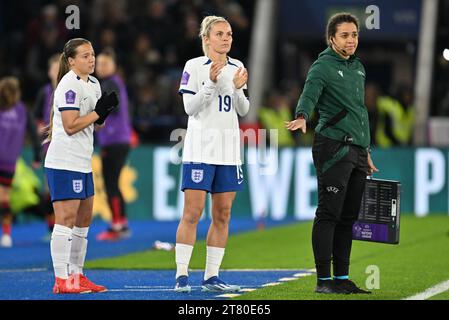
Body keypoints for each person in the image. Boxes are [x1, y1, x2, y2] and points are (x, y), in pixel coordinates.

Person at [285, 13, 378, 294]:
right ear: (331, 39)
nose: (351, 40)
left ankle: (341, 279)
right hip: (333, 147)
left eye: (354, 35)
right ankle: (323, 281)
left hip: (357, 150)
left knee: (348, 217)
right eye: (345, 36)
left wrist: (366, 151)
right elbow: (309, 93)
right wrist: (302, 115)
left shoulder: (358, 68)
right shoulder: (322, 66)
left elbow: (358, 113)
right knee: (329, 214)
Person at [174, 15, 249, 292]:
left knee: (223, 214)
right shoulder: (194, 66)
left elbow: (242, 109)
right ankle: (182, 274)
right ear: (206, 39)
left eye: (229, 33)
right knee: (192, 213)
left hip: (229, 152)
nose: (226, 38)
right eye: (219, 34)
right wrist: (210, 83)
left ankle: (211, 276)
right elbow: (189, 108)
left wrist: (240, 90)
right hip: (200, 150)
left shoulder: (238, 66)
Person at [44, 38, 118, 294]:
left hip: (83, 161)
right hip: (65, 160)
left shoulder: (95, 83)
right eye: (85, 55)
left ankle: (77, 276)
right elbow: (70, 125)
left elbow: (96, 125)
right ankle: (61, 278)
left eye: (93, 54)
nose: (92, 59)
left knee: (84, 221)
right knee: (65, 219)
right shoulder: (68, 85)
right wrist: (98, 113)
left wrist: (104, 112)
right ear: (72, 61)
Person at [94, 48, 132, 241]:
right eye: (99, 64)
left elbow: (112, 105)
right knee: (114, 183)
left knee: (110, 184)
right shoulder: (116, 82)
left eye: (105, 64)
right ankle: (122, 223)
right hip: (121, 139)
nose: (100, 67)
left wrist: (97, 119)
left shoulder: (109, 83)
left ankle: (116, 226)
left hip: (113, 140)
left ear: (114, 66)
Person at [0, 77, 41, 248]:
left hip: (6, 160)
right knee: (5, 197)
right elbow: (33, 133)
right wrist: (38, 155)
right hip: (9, 162)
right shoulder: (23, 110)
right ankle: (7, 234)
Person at [34, 54, 60, 238]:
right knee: (49, 188)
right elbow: (35, 116)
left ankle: (65, 226)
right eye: (54, 68)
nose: (56, 71)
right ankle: (52, 226)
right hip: (49, 147)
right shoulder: (45, 92)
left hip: (68, 147)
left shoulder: (71, 89)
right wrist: (40, 129)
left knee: (64, 188)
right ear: (49, 71)